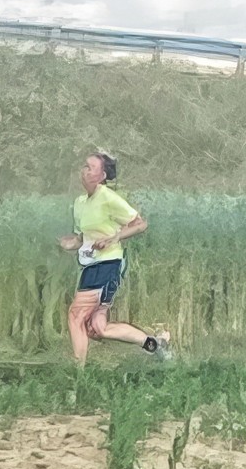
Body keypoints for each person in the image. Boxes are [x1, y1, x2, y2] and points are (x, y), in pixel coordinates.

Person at [57, 149, 170, 366]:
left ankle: (77, 374)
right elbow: (82, 238)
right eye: (84, 166)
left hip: (108, 264)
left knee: (75, 315)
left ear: (101, 176)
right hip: (90, 268)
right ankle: (155, 344)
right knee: (97, 328)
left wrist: (114, 237)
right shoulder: (80, 203)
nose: (84, 171)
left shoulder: (108, 197)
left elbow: (140, 224)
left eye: (90, 168)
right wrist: (66, 244)